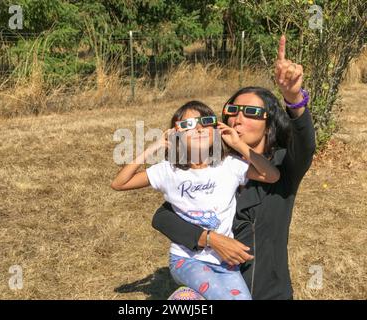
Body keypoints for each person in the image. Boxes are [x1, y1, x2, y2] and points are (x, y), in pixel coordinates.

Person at [152, 35, 316, 300]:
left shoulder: (283, 167)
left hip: (267, 291)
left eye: (251, 112)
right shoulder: (214, 164)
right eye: (233, 110)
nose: (238, 118)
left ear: (269, 123)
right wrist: (209, 238)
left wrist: (294, 99)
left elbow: (306, 145)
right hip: (214, 286)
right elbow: (163, 216)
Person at [111, 100, 280, 300]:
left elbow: (271, 175)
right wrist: (153, 147)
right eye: (188, 125)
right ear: (176, 136)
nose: (198, 128)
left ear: (216, 130)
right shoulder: (168, 170)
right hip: (187, 260)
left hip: (225, 260)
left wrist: (238, 144)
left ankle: (188, 297)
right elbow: (120, 183)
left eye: (205, 122)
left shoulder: (230, 166)